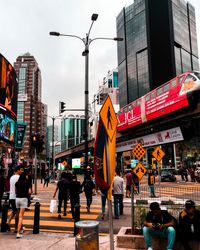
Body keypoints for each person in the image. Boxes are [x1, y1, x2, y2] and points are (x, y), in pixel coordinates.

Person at [6, 166, 23, 232]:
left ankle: (8, 221)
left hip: (11, 197)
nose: (21, 171)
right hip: (16, 197)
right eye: (20, 170)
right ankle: (16, 228)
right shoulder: (19, 177)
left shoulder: (11, 177)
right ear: (17, 170)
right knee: (18, 213)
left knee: (14, 210)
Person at [15, 172, 31, 238]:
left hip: (17, 199)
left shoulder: (17, 183)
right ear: (25, 176)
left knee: (18, 215)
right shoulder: (27, 183)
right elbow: (29, 192)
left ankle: (20, 229)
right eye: (26, 175)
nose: (27, 176)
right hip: (23, 199)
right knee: (21, 216)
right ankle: (18, 233)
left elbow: (16, 191)